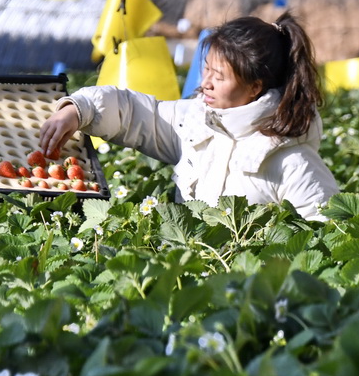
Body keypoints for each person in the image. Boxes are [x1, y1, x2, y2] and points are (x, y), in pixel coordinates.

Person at [39, 12, 339, 221]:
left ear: (255, 86)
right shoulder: (194, 121)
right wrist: (77, 111)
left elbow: (329, 232)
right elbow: (133, 111)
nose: (205, 81)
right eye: (205, 68)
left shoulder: (292, 162)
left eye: (218, 77)